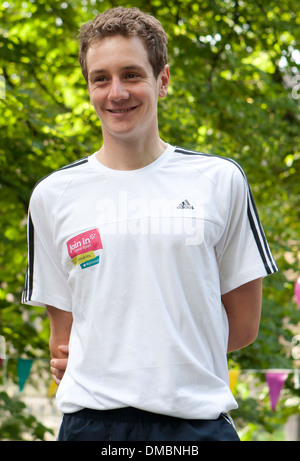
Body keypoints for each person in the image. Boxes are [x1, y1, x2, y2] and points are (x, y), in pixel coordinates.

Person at [22, 7, 278, 441]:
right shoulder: (53, 196)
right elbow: (64, 341)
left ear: (162, 80)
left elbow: (244, 326)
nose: (116, 92)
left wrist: (160, 369)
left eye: (132, 74)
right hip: (92, 426)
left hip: (197, 426)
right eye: (100, 78)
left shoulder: (219, 180)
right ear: (88, 87)